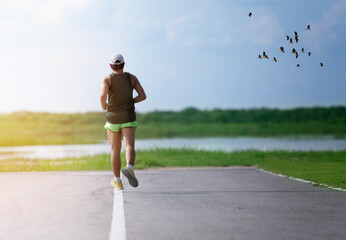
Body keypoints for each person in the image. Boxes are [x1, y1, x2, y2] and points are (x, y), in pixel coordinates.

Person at [100, 54, 146, 190]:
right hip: (128, 116)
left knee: (115, 149)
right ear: (124, 64)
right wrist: (131, 101)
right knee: (129, 145)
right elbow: (143, 96)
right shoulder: (131, 78)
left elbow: (102, 95)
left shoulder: (107, 79)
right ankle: (130, 167)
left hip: (113, 118)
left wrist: (104, 106)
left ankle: (117, 181)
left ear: (110, 66)